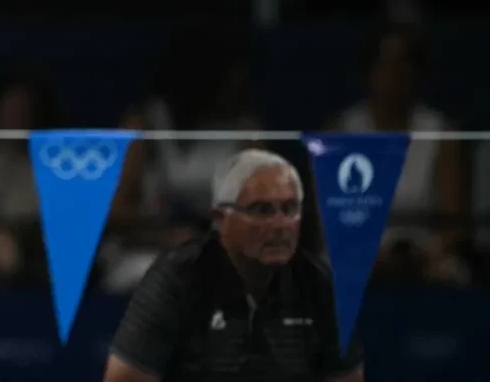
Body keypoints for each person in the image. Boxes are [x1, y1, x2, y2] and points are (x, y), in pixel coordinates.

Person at [103, 149, 364, 382]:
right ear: (220, 218)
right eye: (262, 210)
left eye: (290, 208)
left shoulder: (320, 286)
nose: (280, 224)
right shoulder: (177, 280)